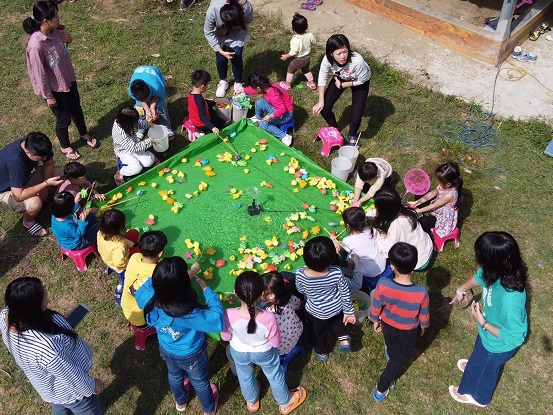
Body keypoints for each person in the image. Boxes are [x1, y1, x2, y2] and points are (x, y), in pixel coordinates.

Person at [1, 277, 104, 415]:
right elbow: (71, 376)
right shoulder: (47, 349)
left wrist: (61, 325)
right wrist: (92, 385)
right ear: (34, 308)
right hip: (73, 393)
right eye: (43, 294)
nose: (46, 294)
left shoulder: (6, 316)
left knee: (60, 406)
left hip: (51, 387)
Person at [449, 231, 528, 408]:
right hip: (488, 335)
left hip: (497, 344)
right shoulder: (500, 269)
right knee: (480, 354)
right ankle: (477, 364)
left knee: (488, 367)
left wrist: (483, 322)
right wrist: (461, 290)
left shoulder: (511, 299)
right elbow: (480, 276)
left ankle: (479, 397)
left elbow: (515, 337)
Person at [135, 257, 223, 414]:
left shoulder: (146, 298)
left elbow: (150, 284)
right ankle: (209, 409)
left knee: (174, 375)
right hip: (192, 355)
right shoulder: (188, 313)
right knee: (200, 382)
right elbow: (218, 321)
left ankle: (180, 402)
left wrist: (176, 276)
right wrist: (208, 293)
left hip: (167, 349)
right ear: (184, 287)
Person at [221, 271, 307, 414]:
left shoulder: (227, 314)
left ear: (235, 292)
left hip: (239, 351)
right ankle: (285, 403)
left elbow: (225, 337)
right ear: (261, 294)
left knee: (245, 376)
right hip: (264, 352)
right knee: (274, 375)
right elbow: (275, 343)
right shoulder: (268, 317)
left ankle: (251, 401)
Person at [23, 1, 98, 160]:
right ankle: (65, 146)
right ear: (46, 20)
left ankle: (84, 133)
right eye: (56, 16)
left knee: (76, 108)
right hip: (54, 89)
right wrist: (48, 96)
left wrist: (69, 38)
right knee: (64, 118)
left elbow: (65, 44)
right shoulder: (36, 45)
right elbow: (39, 74)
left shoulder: (56, 30)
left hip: (67, 78)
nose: (59, 17)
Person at [369, 242, 429, 402]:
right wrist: (423, 328)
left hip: (387, 325)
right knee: (398, 361)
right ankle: (381, 388)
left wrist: (375, 320)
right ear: (414, 266)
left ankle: (390, 351)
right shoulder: (421, 292)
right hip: (408, 332)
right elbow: (424, 316)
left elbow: (376, 305)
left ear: (392, 266)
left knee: (390, 341)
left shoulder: (383, 284)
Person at [295, 236, 356, 361]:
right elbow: (344, 292)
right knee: (338, 321)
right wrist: (349, 312)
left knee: (317, 332)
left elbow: (301, 290)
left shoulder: (300, 274)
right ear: (332, 258)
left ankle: (322, 352)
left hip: (316, 311)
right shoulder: (336, 272)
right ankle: (343, 339)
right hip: (336, 307)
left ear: (305, 258)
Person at [312, 34, 372, 146]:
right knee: (324, 109)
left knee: (356, 116)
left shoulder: (357, 60)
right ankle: (334, 128)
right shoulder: (327, 59)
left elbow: (363, 79)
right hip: (341, 77)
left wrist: (342, 85)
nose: (343, 56)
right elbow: (322, 78)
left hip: (360, 81)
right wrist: (321, 100)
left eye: (345, 51)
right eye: (338, 53)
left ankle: (352, 135)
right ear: (331, 54)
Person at [0, 132, 64, 237]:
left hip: (25, 178)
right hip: (7, 190)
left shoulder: (36, 144)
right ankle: (28, 221)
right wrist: (45, 184)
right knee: (35, 202)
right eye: (40, 157)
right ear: (27, 152)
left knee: (61, 173)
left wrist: (46, 185)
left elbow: (49, 163)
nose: (44, 158)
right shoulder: (15, 161)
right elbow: (18, 196)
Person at [372, 188, 433, 271]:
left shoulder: (397, 224)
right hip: (427, 246)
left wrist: (376, 234)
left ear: (385, 210)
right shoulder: (406, 210)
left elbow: (387, 249)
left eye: (377, 207)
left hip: (419, 261)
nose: (376, 209)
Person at [204, 0, 254, 97]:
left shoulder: (246, 7)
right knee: (221, 59)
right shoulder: (213, 10)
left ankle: (238, 82)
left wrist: (228, 28)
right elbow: (208, 32)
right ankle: (223, 81)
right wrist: (220, 50)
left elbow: (248, 20)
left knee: (237, 57)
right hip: (218, 34)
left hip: (237, 34)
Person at [121, 230, 168, 328]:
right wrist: (193, 271)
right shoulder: (158, 273)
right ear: (160, 254)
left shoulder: (134, 257)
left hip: (126, 308)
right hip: (143, 321)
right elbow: (176, 280)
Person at [338, 207, 390, 292]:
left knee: (351, 254)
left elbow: (352, 257)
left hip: (369, 273)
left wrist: (350, 269)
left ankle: (350, 271)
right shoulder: (369, 229)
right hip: (382, 264)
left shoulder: (347, 241)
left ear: (347, 225)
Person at [407, 161, 463, 237]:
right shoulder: (445, 185)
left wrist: (416, 212)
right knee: (420, 192)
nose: (438, 183)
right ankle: (418, 210)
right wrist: (417, 202)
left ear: (448, 184)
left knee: (423, 221)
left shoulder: (450, 195)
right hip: (438, 205)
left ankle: (427, 236)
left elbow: (433, 206)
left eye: (440, 182)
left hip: (442, 216)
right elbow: (433, 193)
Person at [244, 72, 294, 146]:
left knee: (263, 125)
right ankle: (258, 118)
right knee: (259, 102)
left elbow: (282, 109)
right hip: (276, 107)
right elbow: (254, 90)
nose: (254, 90)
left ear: (258, 88)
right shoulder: (267, 86)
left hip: (286, 114)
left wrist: (271, 116)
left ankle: (284, 136)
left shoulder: (273, 95)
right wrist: (242, 90)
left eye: (254, 88)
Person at [112, 105, 157, 185]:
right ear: (128, 123)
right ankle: (120, 173)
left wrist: (148, 124)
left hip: (134, 144)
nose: (136, 123)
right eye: (134, 122)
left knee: (148, 162)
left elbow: (137, 123)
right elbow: (133, 148)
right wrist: (150, 141)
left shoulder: (125, 121)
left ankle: (151, 157)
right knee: (137, 168)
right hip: (124, 151)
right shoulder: (120, 134)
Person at [261, 272, 303, 356]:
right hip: (296, 332)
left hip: (282, 347)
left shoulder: (269, 313)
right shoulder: (289, 297)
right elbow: (299, 304)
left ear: (271, 296)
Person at [129, 65, 174, 140]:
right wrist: (147, 110)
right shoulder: (132, 91)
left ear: (149, 89)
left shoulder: (158, 87)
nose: (147, 101)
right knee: (139, 109)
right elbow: (141, 101)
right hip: (138, 71)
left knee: (161, 108)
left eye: (148, 98)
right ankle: (141, 130)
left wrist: (152, 107)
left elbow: (158, 97)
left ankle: (167, 128)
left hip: (153, 72)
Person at [279, 13, 317, 91]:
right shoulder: (309, 35)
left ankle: (288, 85)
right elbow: (314, 41)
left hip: (298, 60)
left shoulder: (295, 39)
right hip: (307, 57)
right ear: (306, 26)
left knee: (290, 70)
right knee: (306, 70)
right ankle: (312, 83)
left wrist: (286, 56)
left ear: (293, 28)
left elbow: (294, 52)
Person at [97, 209, 140, 273]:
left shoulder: (100, 232)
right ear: (119, 228)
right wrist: (131, 262)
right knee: (143, 250)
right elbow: (119, 263)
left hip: (112, 255)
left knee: (134, 232)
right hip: (121, 261)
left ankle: (134, 246)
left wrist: (130, 244)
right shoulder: (120, 245)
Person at [188, 70, 226, 136]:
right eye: (207, 85)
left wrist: (214, 103)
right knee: (220, 125)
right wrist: (213, 128)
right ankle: (202, 133)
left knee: (212, 110)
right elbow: (202, 116)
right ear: (202, 87)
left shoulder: (192, 94)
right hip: (201, 123)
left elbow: (204, 101)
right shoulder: (199, 100)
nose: (208, 86)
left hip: (195, 118)